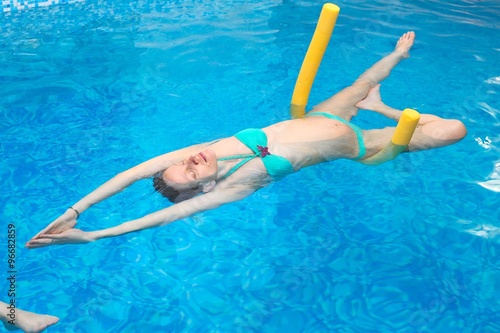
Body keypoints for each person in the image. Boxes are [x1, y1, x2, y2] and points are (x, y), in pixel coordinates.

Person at [25, 31, 466, 249]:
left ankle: (395, 60)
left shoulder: (210, 151)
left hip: (325, 114)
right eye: (193, 171)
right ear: (204, 188)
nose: (194, 159)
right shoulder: (233, 187)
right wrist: (93, 235)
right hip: (362, 147)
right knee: (453, 129)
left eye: (186, 161)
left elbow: (129, 173)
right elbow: (158, 220)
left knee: (367, 76)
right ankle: (385, 110)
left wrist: (74, 210)